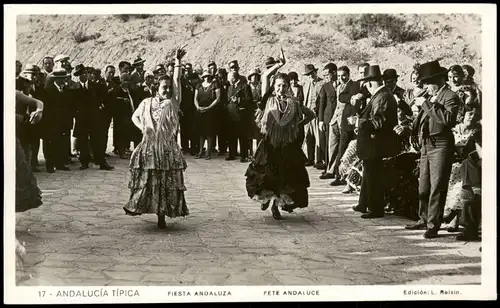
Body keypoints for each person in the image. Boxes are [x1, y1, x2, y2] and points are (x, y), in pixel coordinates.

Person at [245, 49, 316, 219]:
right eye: (278, 86)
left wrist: (296, 126)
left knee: (285, 177)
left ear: (288, 87)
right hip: (269, 145)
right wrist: (279, 64)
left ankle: (276, 206)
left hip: (287, 146)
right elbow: (264, 77)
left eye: (284, 86)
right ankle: (267, 199)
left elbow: (311, 115)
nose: (281, 88)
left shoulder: (294, 104)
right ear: (274, 87)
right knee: (267, 175)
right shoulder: (267, 100)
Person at [123, 48, 189, 229]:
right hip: (149, 147)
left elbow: (176, 81)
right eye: (164, 87)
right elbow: (134, 117)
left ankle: (162, 215)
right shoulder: (146, 103)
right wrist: (143, 127)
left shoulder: (173, 103)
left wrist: (177, 62)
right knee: (149, 180)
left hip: (167, 148)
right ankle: (142, 205)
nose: (167, 90)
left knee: (166, 182)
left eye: (169, 87)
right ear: (156, 89)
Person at [406, 60, 461, 239]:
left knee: (438, 186)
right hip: (426, 144)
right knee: (424, 184)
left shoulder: (450, 96)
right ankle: (423, 218)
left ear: (437, 80)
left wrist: (426, 105)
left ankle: (433, 225)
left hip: (441, 144)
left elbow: (447, 120)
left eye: (427, 83)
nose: (425, 87)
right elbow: (421, 120)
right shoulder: (430, 97)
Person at [352, 65, 399, 219]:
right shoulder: (381, 95)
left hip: (376, 144)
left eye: (366, 83)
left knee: (373, 176)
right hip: (373, 143)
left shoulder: (383, 96)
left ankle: (375, 208)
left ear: (370, 83)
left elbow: (379, 121)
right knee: (368, 173)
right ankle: (364, 203)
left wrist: (359, 121)